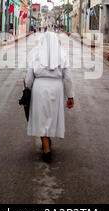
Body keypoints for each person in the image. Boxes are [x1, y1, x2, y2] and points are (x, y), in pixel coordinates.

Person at [25, 32, 74, 163]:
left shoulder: (35, 55)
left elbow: (29, 79)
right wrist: (70, 96)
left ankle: (46, 148)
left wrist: (27, 89)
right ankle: (47, 142)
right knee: (52, 116)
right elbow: (68, 78)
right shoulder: (62, 55)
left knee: (41, 117)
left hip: (39, 88)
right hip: (57, 88)